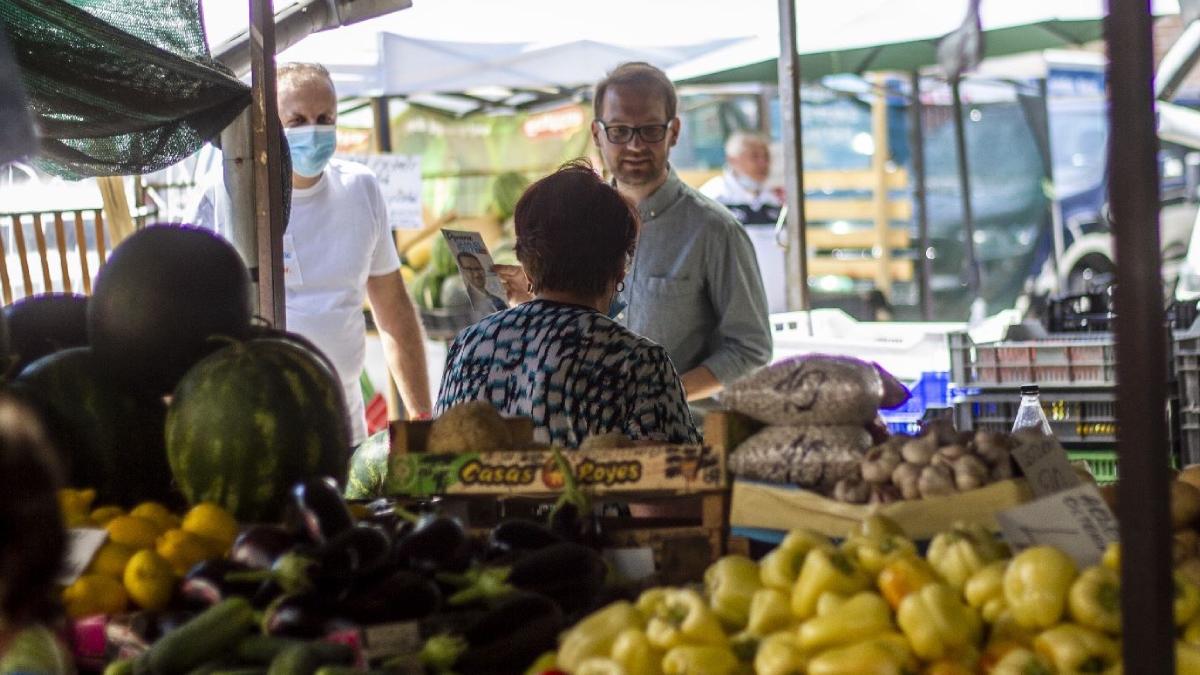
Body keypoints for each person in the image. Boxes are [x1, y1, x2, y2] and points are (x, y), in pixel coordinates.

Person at [498, 63, 772, 405]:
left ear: (673, 132)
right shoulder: (573, 224)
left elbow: (750, 346)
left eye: (650, 130)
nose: (635, 145)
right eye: (619, 131)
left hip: (680, 441)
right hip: (581, 429)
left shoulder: (716, 231)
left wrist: (663, 393)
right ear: (597, 134)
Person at [189, 62, 431, 445]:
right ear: (268, 125)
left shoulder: (361, 190)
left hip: (343, 417)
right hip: (256, 422)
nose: (313, 131)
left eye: (325, 118)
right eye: (297, 120)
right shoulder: (224, 192)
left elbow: (394, 309)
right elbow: (191, 308)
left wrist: (420, 415)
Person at [437, 160, 699, 448]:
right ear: (622, 265)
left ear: (525, 261)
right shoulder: (637, 362)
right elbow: (681, 474)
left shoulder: (468, 346)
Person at [699, 130, 784, 226]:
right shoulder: (713, 195)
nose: (763, 163)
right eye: (754, 156)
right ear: (733, 160)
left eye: (766, 156)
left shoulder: (778, 196)